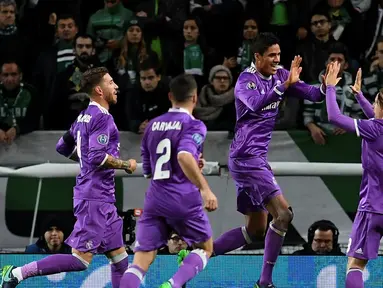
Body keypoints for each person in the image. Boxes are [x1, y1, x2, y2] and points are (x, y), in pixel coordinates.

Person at [194, 32, 328, 288]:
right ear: (257, 56)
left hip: (254, 159)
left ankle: (197, 255)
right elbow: (255, 104)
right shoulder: (246, 80)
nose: (277, 60)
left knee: (255, 231)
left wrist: (325, 86)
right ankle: (264, 282)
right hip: (246, 158)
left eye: (279, 55)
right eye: (272, 55)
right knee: (284, 215)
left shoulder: (280, 75)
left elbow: (311, 94)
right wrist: (284, 86)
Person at [0, 67, 137, 288]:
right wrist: (126, 165)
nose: (116, 86)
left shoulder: (83, 117)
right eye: (111, 82)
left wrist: (84, 159)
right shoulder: (102, 118)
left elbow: (62, 146)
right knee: (80, 260)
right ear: (99, 90)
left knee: (120, 260)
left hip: (103, 198)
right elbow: (97, 156)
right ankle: (16, 272)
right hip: (95, 198)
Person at [119, 74, 218, 288]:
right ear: (194, 98)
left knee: (141, 260)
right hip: (183, 197)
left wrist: (190, 163)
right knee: (205, 247)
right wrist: (205, 189)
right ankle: (173, 284)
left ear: (170, 96)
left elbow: (148, 172)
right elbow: (183, 156)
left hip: (155, 198)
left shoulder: (152, 126)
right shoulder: (194, 125)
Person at [325, 62, 383, 288]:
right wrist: (359, 96)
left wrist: (330, 87)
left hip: (372, 208)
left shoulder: (373, 130)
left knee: (356, 265)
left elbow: (335, 117)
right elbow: (376, 120)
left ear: (379, 104)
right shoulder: (375, 128)